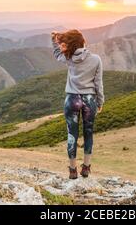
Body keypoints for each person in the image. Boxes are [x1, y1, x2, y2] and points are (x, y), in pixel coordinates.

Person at [51, 29, 104, 180]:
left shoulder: (68, 58)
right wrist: (100, 101)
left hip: (72, 99)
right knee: (88, 133)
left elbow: (56, 53)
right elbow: (98, 83)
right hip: (89, 99)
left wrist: (54, 40)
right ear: (83, 42)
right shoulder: (96, 59)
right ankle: (86, 168)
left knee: (71, 134)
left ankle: (73, 170)